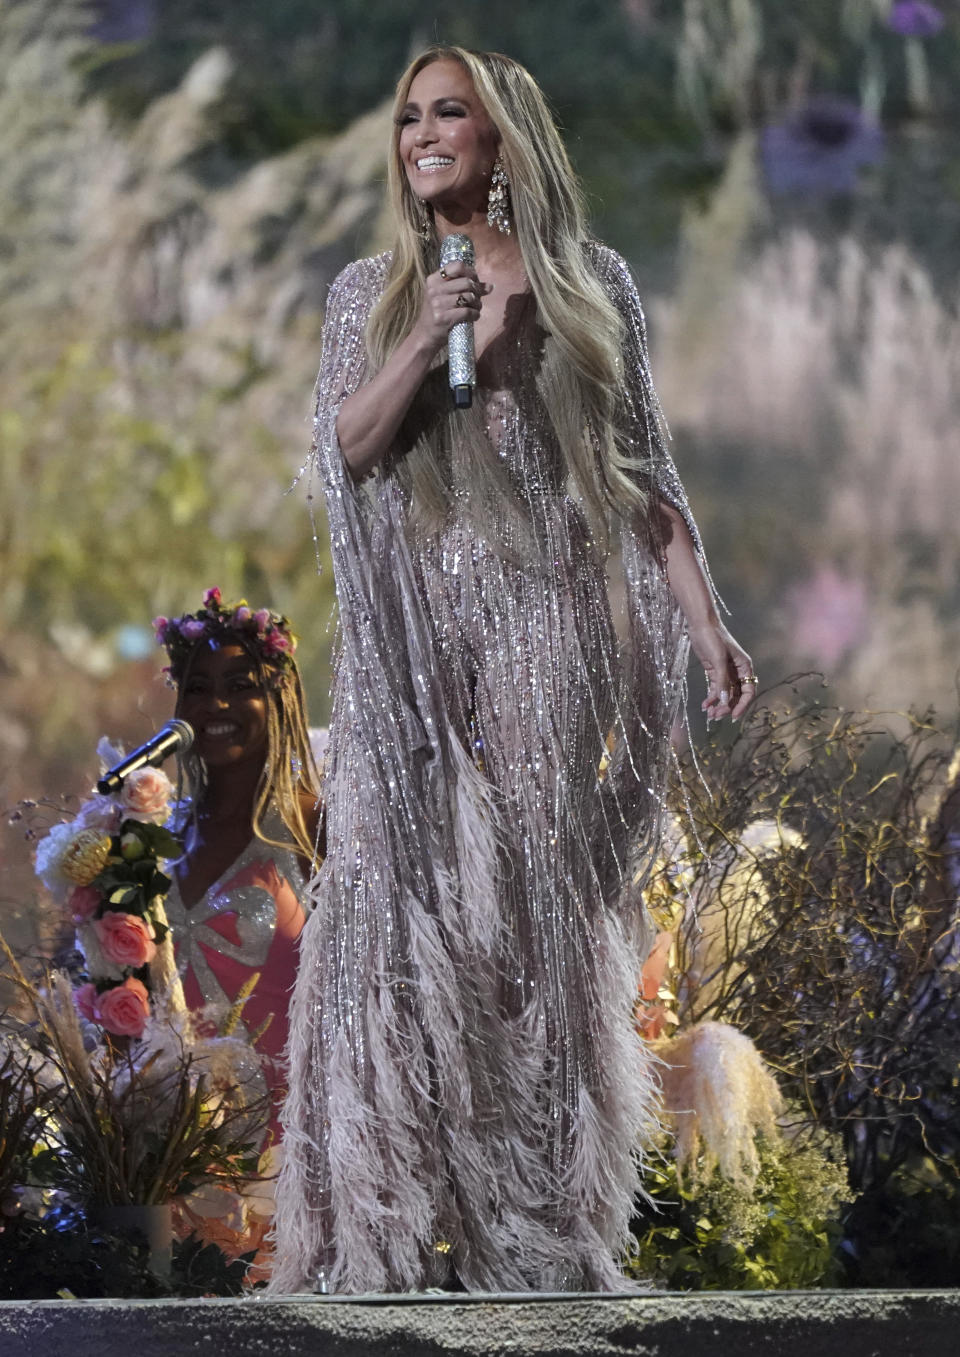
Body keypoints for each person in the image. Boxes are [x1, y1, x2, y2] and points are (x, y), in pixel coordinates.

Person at [271, 46, 756, 1294]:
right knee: (394, 893)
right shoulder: (371, 294)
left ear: (504, 141)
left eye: (451, 115)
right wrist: (426, 333)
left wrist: (706, 625)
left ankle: (542, 1221)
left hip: (549, 623)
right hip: (412, 649)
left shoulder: (593, 288)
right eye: (410, 117)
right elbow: (348, 452)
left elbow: (644, 476)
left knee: (536, 907)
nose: (424, 135)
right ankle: (381, 1216)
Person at [153, 589, 323, 1257]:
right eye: (198, 687)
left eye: (240, 686)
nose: (215, 705)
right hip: (166, 1159)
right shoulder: (158, 836)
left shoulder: (316, 828)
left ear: (277, 697)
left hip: (284, 1169)